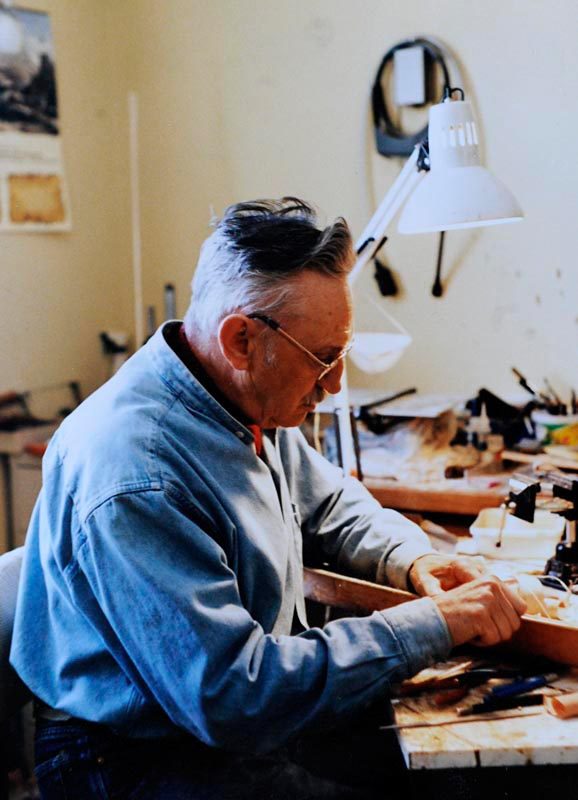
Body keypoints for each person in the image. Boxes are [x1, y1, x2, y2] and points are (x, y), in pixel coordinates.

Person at [11, 198, 526, 799]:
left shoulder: (237, 400)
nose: (333, 387)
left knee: (463, 779)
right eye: (323, 360)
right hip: (128, 755)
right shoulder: (137, 474)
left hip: (224, 718)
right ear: (242, 341)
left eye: (342, 354)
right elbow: (233, 695)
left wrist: (412, 559)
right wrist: (428, 626)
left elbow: (329, 502)